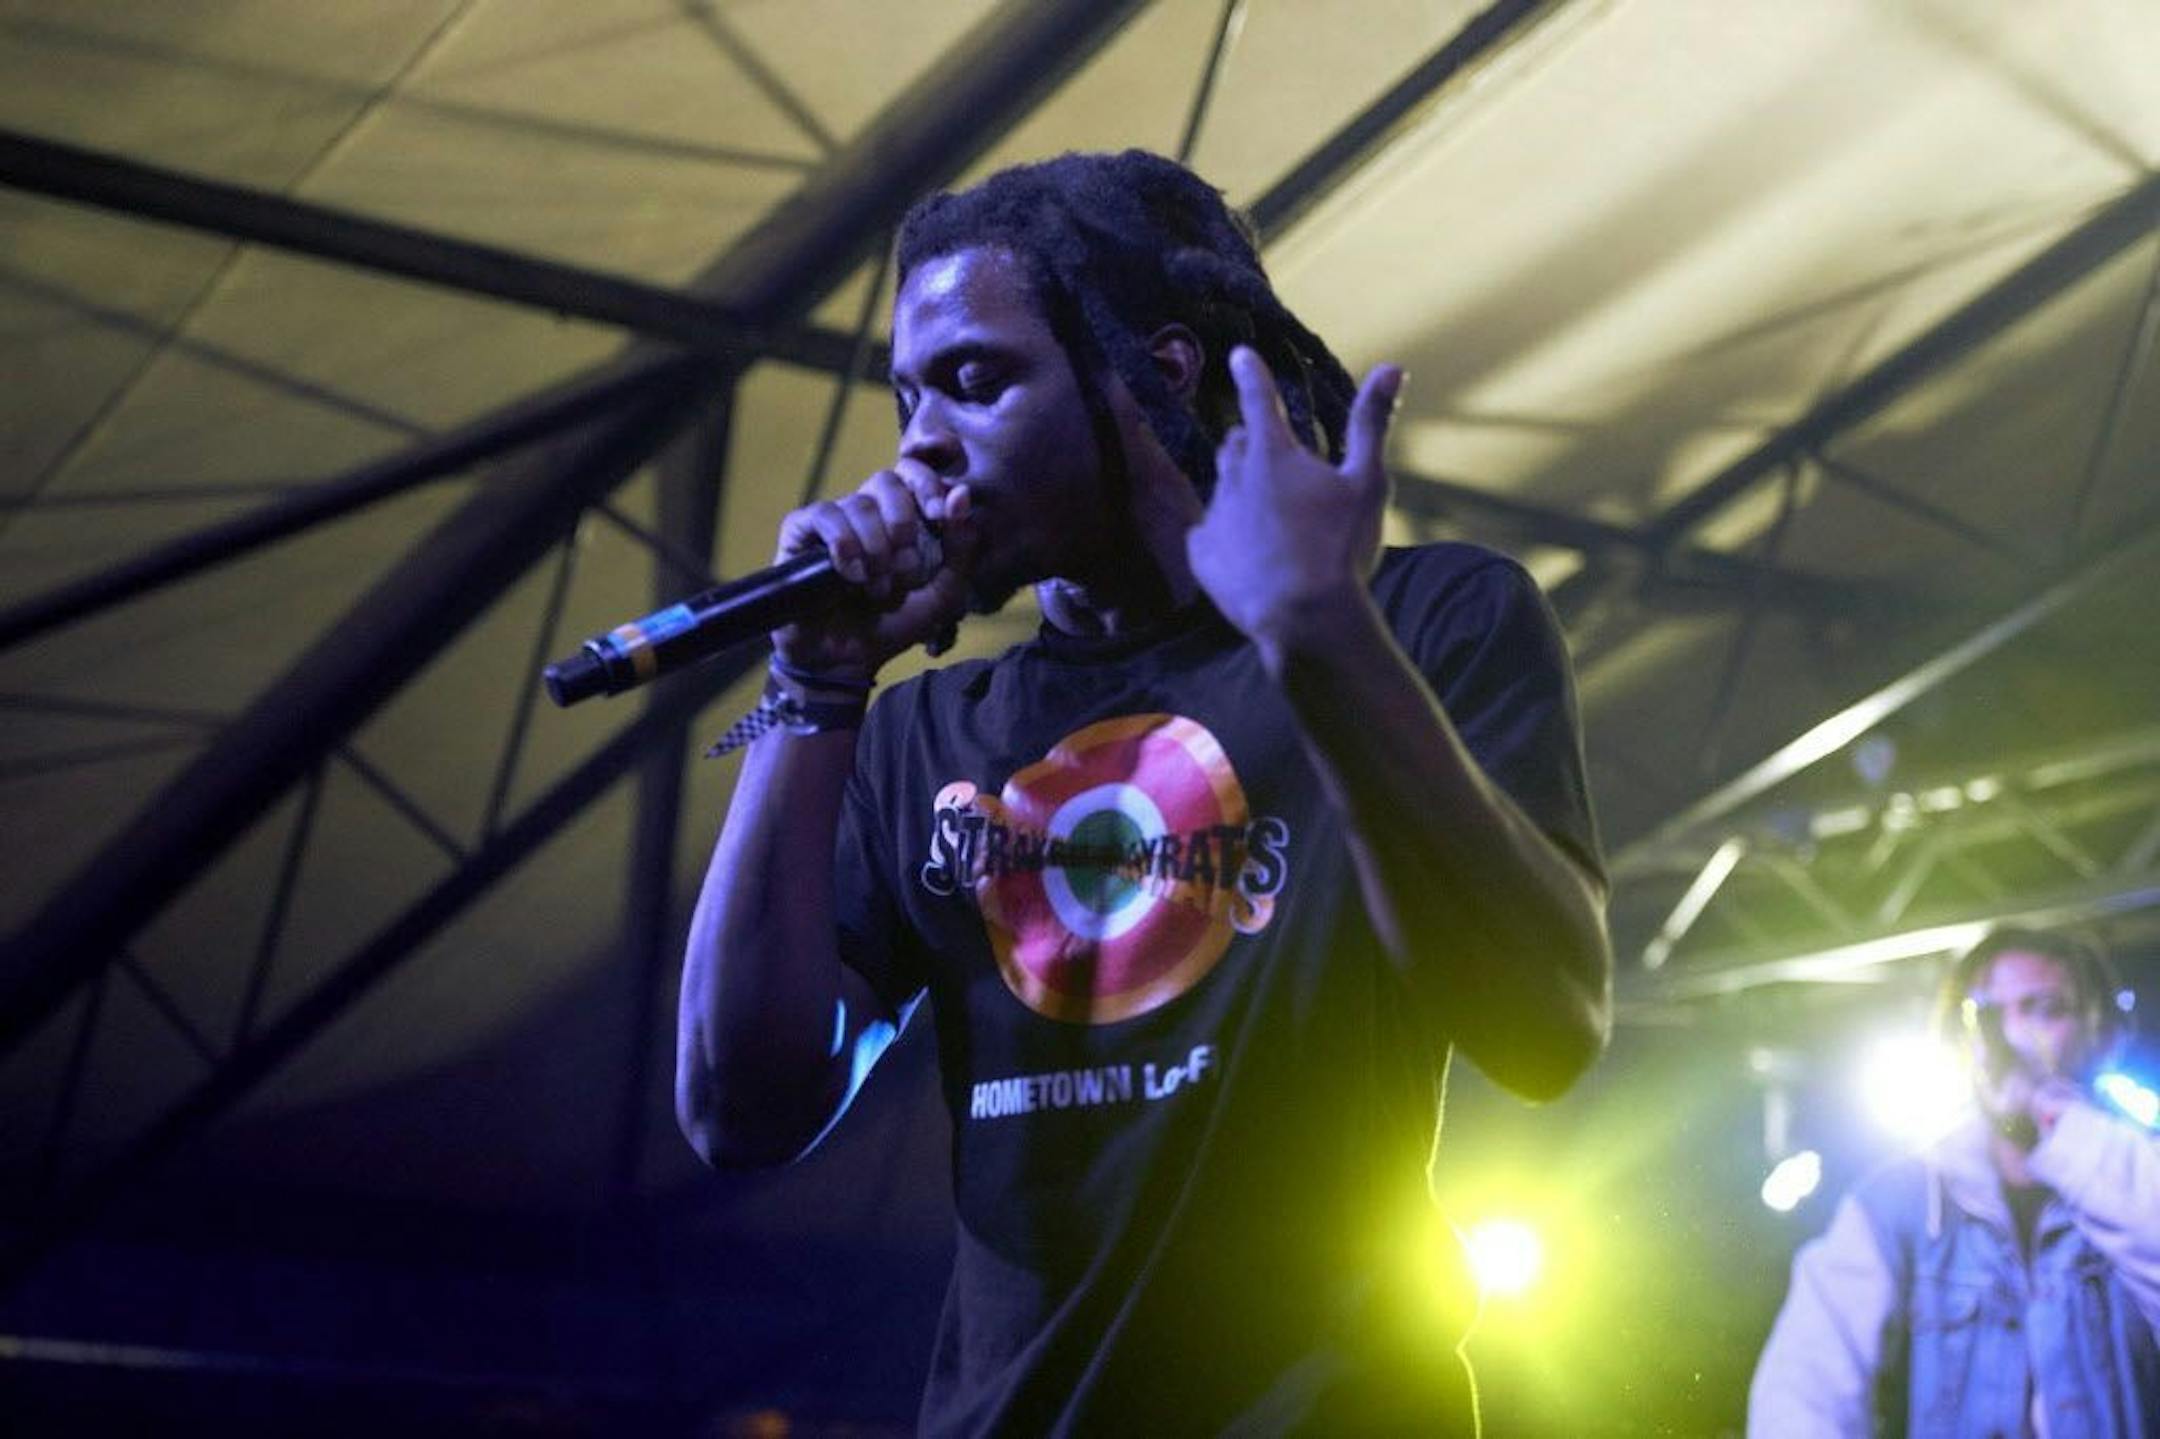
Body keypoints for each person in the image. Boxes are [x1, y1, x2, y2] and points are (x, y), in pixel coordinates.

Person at [676, 150, 1611, 1435]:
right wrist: (815, 688)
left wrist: (1320, 634)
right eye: (906, 400)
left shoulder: (1419, 623)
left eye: (975, 378)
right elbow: (737, 1106)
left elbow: (1543, 1024)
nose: (923, 442)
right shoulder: (924, 735)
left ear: (1152, 372)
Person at [1749, 929, 2160, 1437]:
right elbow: (1804, 1385)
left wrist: (2049, 1113)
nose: (2009, 1037)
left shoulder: (2134, 1178)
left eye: (2043, 1009)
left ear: (2101, 1034)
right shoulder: (1899, 1202)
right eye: (1986, 1017)